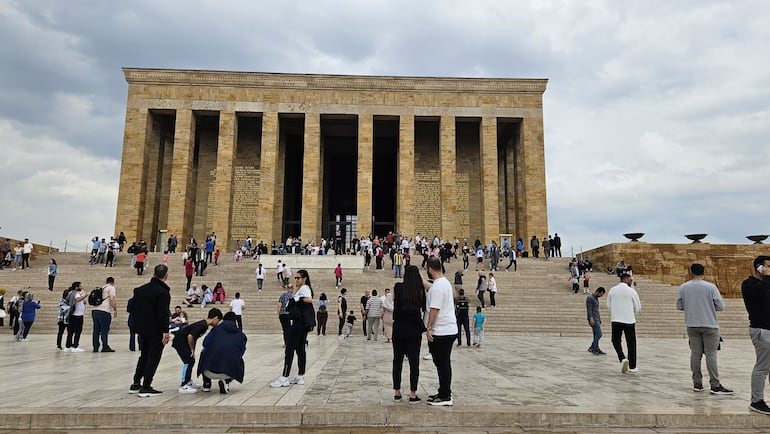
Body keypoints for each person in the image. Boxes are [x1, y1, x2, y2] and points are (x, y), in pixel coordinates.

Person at [676, 263, 732, 394]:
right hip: (710, 324)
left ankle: (697, 383)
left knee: (695, 354)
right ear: (703, 272)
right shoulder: (710, 287)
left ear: (691, 272)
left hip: (692, 324)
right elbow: (721, 306)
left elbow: (679, 306)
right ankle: (715, 384)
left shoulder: (683, 287)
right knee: (711, 355)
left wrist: (691, 306)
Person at [130, 264, 172, 397]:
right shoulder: (163, 292)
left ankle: (136, 383)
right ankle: (146, 385)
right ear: (166, 276)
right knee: (153, 357)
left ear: (154, 274)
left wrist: (136, 327)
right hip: (156, 330)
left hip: (142, 330)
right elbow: (163, 313)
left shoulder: (140, 290)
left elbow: (135, 310)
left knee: (144, 355)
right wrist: (165, 331)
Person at [270, 269, 314, 387]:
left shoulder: (304, 288)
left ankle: (284, 377)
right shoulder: (301, 289)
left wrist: (297, 298)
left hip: (298, 324)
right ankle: (300, 376)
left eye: (298, 278)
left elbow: (309, 299)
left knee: (289, 349)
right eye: (295, 278)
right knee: (300, 350)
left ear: (304, 279)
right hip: (301, 324)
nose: (296, 280)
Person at [392, 265, 427, 404]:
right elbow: (424, 308)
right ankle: (413, 394)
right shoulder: (419, 291)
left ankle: (397, 392)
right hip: (414, 330)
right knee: (414, 363)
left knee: (397, 361)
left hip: (399, 328)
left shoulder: (398, 287)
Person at [424, 257, 456, 406]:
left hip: (441, 331)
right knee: (443, 363)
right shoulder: (443, 283)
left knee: (442, 363)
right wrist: (421, 280)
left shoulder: (438, 286)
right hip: (448, 329)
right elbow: (431, 288)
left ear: (430, 269)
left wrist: (429, 328)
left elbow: (434, 310)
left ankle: (445, 396)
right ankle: (443, 391)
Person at [742, 255, 770, 414]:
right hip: (762, 330)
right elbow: (758, 294)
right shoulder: (749, 284)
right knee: (762, 367)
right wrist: (766, 278)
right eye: (768, 266)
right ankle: (756, 400)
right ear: (759, 267)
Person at [198, 311, 247, 394]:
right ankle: (226, 381)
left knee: (204, 352)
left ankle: (206, 383)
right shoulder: (241, 335)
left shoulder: (215, 330)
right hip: (229, 372)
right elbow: (241, 352)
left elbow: (205, 343)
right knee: (239, 359)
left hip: (208, 371)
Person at [175, 307, 223, 394]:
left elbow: (194, 338)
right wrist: (192, 349)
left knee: (191, 361)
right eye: (218, 321)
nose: (217, 323)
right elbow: (190, 336)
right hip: (180, 342)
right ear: (215, 318)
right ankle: (184, 385)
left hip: (182, 342)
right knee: (188, 361)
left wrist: (192, 349)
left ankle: (188, 381)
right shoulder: (203, 325)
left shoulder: (204, 325)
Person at [606, 273, 641, 373]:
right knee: (631, 343)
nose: (631, 281)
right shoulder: (632, 291)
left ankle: (622, 357)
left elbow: (608, 305)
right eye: (630, 280)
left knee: (615, 340)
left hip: (616, 320)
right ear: (626, 279)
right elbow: (638, 307)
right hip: (629, 320)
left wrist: (615, 313)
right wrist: (631, 313)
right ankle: (633, 366)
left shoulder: (612, 290)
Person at [92, 276, 117, 353]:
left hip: (95, 311)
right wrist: (115, 309)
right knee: (104, 330)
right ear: (112, 282)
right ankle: (105, 346)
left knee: (96, 330)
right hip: (104, 311)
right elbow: (111, 299)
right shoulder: (111, 288)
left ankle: (95, 347)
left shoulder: (101, 288)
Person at [65, 282, 88, 352]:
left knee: (70, 332)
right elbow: (77, 299)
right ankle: (75, 346)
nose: (81, 287)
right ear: (76, 287)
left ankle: (68, 346)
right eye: (80, 286)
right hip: (78, 315)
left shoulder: (71, 293)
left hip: (72, 315)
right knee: (78, 331)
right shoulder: (76, 293)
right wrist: (85, 295)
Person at [586, 287, 606, 355]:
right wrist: (591, 318)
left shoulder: (596, 298)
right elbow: (589, 309)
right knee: (599, 334)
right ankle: (592, 347)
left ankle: (596, 347)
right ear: (598, 292)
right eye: (601, 294)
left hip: (596, 318)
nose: (601, 296)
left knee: (596, 335)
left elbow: (596, 309)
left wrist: (599, 318)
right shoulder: (590, 298)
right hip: (593, 319)